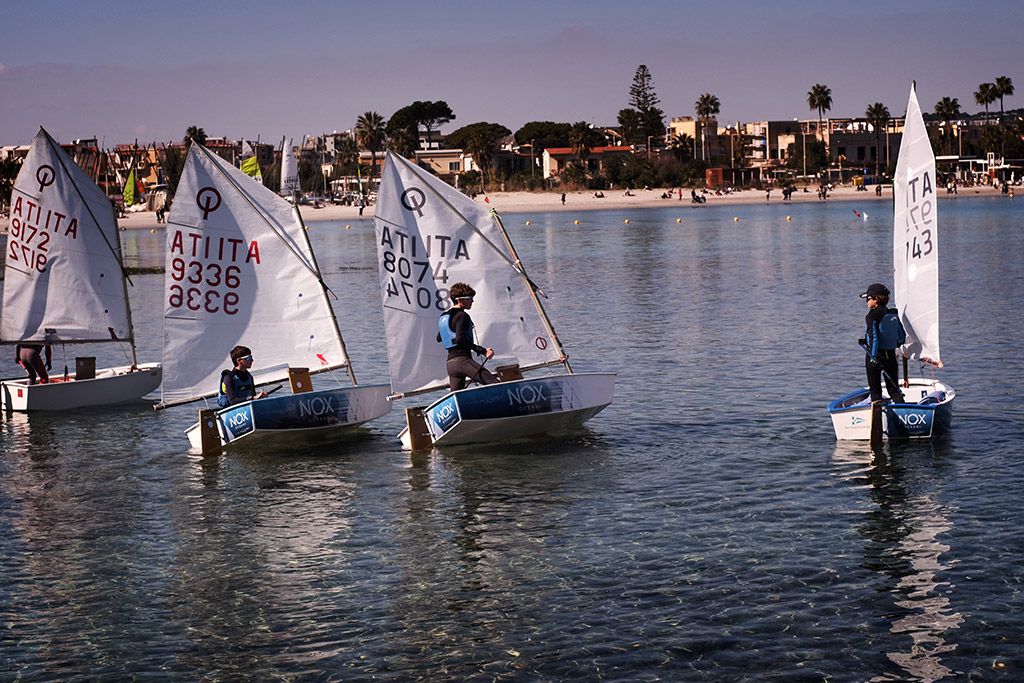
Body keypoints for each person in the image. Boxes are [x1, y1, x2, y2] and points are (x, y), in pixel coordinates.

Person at [437, 283, 499, 391]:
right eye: (470, 299)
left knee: (457, 397)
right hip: (463, 361)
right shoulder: (462, 315)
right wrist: (483, 351)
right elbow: (460, 340)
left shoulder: (445, 316)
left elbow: (439, 337)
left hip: (451, 364)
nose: (472, 301)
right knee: (494, 384)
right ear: (460, 300)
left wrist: (462, 329)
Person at [859, 283, 906, 405]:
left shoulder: (871, 316)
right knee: (894, 391)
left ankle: (878, 418)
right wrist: (897, 344)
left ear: (876, 299)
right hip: (890, 356)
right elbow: (901, 337)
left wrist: (873, 357)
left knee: (875, 392)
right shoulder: (893, 313)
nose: (867, 302)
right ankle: (904, 413)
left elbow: (873, 337)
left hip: (875, 356)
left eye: (868, 299)